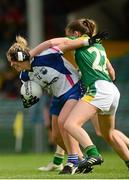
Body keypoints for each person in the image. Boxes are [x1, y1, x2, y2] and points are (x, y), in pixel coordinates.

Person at [28, 18, 129, 173]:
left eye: (69, 35)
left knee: (70, 124)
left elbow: (52, 43)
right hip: (111, 89)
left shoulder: (80, 40)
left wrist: (31, 54)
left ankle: (93, 154)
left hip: (97, 90)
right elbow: (112, 73)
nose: (68, 37)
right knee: (107, 133)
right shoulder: (99, 46)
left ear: (76, 33)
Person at [6, 35, 97, 174]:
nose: (12, 65)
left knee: (63, 122)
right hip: (57, 97)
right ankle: (81, 160)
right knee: (56, 137)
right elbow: (36, 90)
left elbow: (65, 43)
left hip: (73, 88)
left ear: (20, 57)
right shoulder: (24, 76)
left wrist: (85, 41)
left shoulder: (45, 55)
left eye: (13, 61)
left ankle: (72, 162)